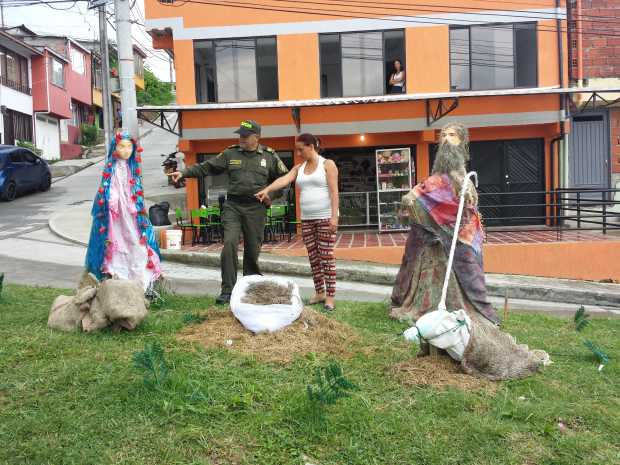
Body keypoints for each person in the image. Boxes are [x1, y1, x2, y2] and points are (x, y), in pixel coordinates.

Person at [390, 123, 549, 380]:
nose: (446, 139)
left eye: (451, 135)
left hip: (463, 236)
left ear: (462, 141)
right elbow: (420, 194)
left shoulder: (462, 175)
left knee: (471, 275)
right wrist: (413, 199)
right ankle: (428, 307)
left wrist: (461, 202)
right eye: (443, 135)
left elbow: (464, 203)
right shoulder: (438, 177)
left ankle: (482, 312)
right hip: (439, 242)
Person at [168, 120, 289, 304]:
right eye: (240, 135)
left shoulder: (269, 156)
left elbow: (284, 180)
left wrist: (270, 195)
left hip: (256, 208)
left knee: (252, 248)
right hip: (233, 206)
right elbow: (207, 167)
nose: (241, 138)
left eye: (245, 136)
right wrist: (184, 173)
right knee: (229, 243)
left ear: (256, 137)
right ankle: (227, 290)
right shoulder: (230, 153)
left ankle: (251, 287)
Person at [255, 133, 339, 311]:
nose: (298, 153)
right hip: (307, 219)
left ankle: (330, 297)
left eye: (301, 149)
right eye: (297, 150)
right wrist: (267, 189)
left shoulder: (327, 164)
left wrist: (334, 217)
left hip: (325, 217)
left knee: (326, 257)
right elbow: (284, 179)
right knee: (313, 258)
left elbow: (334, 192)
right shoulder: (299, 168)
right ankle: (320, 292)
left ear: (311, 146)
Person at [85, 131, 162, 291]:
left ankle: (140, 281)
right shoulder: (112, 168)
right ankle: (117, 276)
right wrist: (113, 203)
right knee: (116, 242)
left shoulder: (132, 167)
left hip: (131, 211)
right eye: (122, 146)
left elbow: (135, 190)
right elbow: (108, 190)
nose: (126, 151)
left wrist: (134, 205)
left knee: (136, 240)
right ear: (115, 148)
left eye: (129, 147)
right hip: (115, 213)